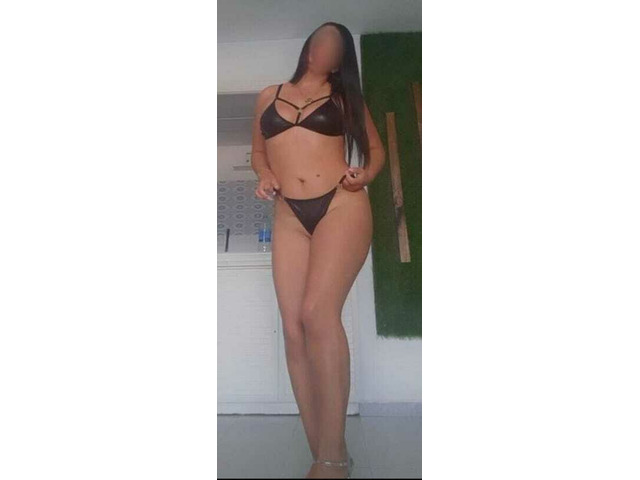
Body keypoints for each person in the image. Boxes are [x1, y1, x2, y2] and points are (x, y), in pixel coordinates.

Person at [251, 21, 385, 479]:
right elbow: (259, 153)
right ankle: (328, 454)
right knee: (293, 328)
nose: (323, 47)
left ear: (340, 58)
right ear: (309, 47)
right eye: (319, 38)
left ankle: (330, 462)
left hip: (340, 205)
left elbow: (374, 150)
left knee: (317, 314)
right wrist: (264, 174)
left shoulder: (346, 99)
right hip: (288, 213)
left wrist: (365, 175)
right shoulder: (268, 96)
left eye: (334, 44)